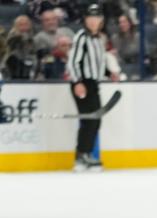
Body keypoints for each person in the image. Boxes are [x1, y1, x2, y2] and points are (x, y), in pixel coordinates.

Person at [67, 4, 112, 172]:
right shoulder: (81, 37)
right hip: (82, 83)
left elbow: (98, 63)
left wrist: (109, 73)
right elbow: (73, 62)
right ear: (85, 19)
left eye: (97, 18)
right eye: (90, 18)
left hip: (93, 84)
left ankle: (86, 154)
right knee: (88, 120)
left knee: (96, 120)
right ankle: (81, 156)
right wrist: (77, 82)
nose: (94, 21)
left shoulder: (99, 39)